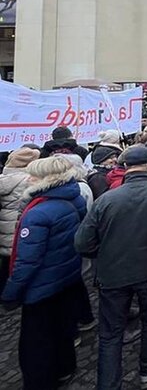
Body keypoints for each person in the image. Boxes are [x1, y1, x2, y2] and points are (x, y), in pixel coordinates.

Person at [74, 146, 147, 389]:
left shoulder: (106, 198)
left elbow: (82, 242)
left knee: (110, 334)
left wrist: (105, 253)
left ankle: (108, 384)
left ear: (125, 167)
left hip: (112, 272)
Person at [1, 157, 86, 389]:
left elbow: (27, 261)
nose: (28, 179)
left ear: (45, 179)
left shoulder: (38, 213)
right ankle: (65, 368)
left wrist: (11, 291)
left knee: (36, 343)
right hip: (65, 273)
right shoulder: (74, 196)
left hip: (42, 284)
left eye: (33, 175)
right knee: (62, 328)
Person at [0, 147, 38, 293]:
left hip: (5, 224)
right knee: (19, 260)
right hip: (20, 223)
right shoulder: (28, 180)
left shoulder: (4, 179)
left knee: (6, 260)